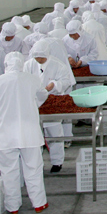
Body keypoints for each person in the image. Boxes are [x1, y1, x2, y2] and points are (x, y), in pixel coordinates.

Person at [0, 52, 49, 214]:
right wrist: (30, 103)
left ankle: (12, 206)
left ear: (6, 64)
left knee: (9, 171)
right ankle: (39, 203)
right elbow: (42, 96)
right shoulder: (33, 79)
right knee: (33, 169)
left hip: (6, 134)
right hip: (30, 133)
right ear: (22, 63)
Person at [25, 40, 75, 173]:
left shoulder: (58, 65)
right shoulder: (29, 65)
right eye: (37, 58)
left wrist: (54, 85)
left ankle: (57, 162)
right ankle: (36, 163)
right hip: (34, 104)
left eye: (42, 58)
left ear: (47, 54)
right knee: (35, 135)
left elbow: (65, 81)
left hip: (52, 102)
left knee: (55, 134)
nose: (39, 60)